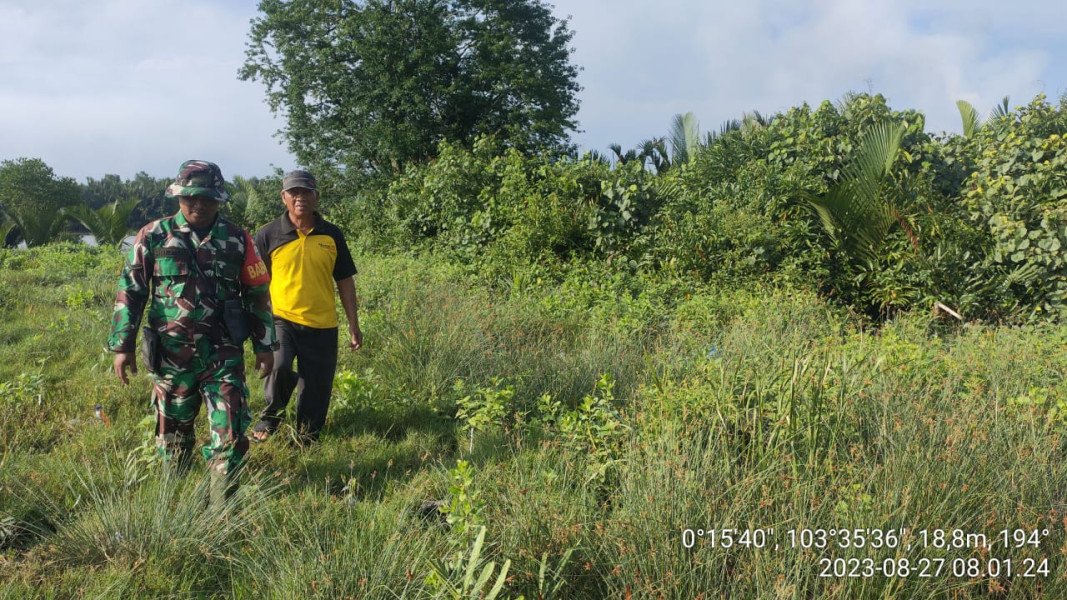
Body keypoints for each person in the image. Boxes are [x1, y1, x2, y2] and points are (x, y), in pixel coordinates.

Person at [107, 160, 277, 503]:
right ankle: (174, 502)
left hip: (223, 354)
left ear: (219, 199)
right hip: (171, 355)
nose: (198, 204)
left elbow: (257, 293)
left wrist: (265, 344)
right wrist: (122, 346)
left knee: (230, 432)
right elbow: (131, 292)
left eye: (207, 197)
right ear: (178, 196)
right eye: (190, 197)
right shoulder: (153, 235)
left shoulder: (238, 238)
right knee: (172, 435)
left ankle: (221, 511)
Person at [251, 169, 362, 443]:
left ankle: (307, 436)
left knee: (316, 386)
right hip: (282, 319)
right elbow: (257, 283)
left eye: (306, 192)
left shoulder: (331, 234)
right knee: (280, 367)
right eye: (294, 192)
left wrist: (353, 324)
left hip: (323, 323)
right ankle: (271, 418)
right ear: (283, 197)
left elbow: (345, 280)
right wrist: (258, 324)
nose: (300, 197)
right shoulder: (268, 234)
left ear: (316, 196)